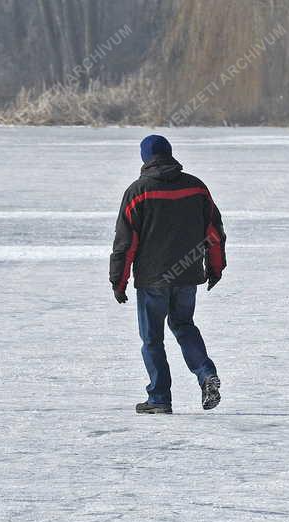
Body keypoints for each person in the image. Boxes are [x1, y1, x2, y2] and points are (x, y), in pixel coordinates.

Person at [109, 134, 226, 414]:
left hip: (153, 280)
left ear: (145, 158)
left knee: (152, 339)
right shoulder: (197, 188)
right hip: (187, 275)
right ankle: (206, 373)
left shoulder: (139, 191)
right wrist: (216, 267)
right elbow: (214, 233)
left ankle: (159, 398)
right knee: (184, 326)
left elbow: (126, 243)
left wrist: (119, 281)